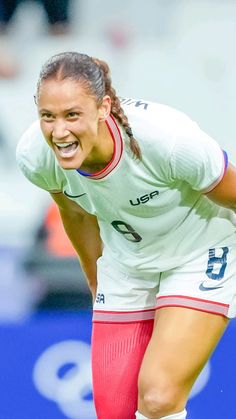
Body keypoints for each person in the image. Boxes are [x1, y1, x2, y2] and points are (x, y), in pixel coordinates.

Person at [16, 51, 236, 419]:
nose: (59, 131)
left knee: (158, 397)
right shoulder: (37, 155)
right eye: (47, 116)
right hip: (127, 262)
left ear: (103, 108)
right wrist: (97, 284)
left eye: (72, 115)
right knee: (115, 413)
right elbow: (76, 215)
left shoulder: (169, 140)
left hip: (201, 251)